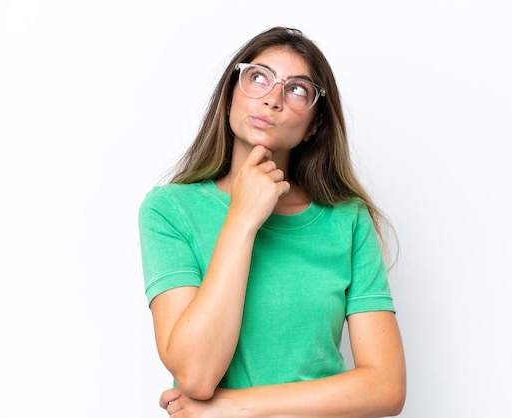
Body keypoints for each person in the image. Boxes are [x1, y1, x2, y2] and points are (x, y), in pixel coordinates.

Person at [138, 26, 406, 417]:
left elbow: (386, 387)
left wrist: (232, 408)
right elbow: (196, 374)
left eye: (297, 89)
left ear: (314, 125)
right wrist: (243, 218)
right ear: (231, 95)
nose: (272, 100)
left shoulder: (346, 219)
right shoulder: (169, 210)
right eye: (258, 77)